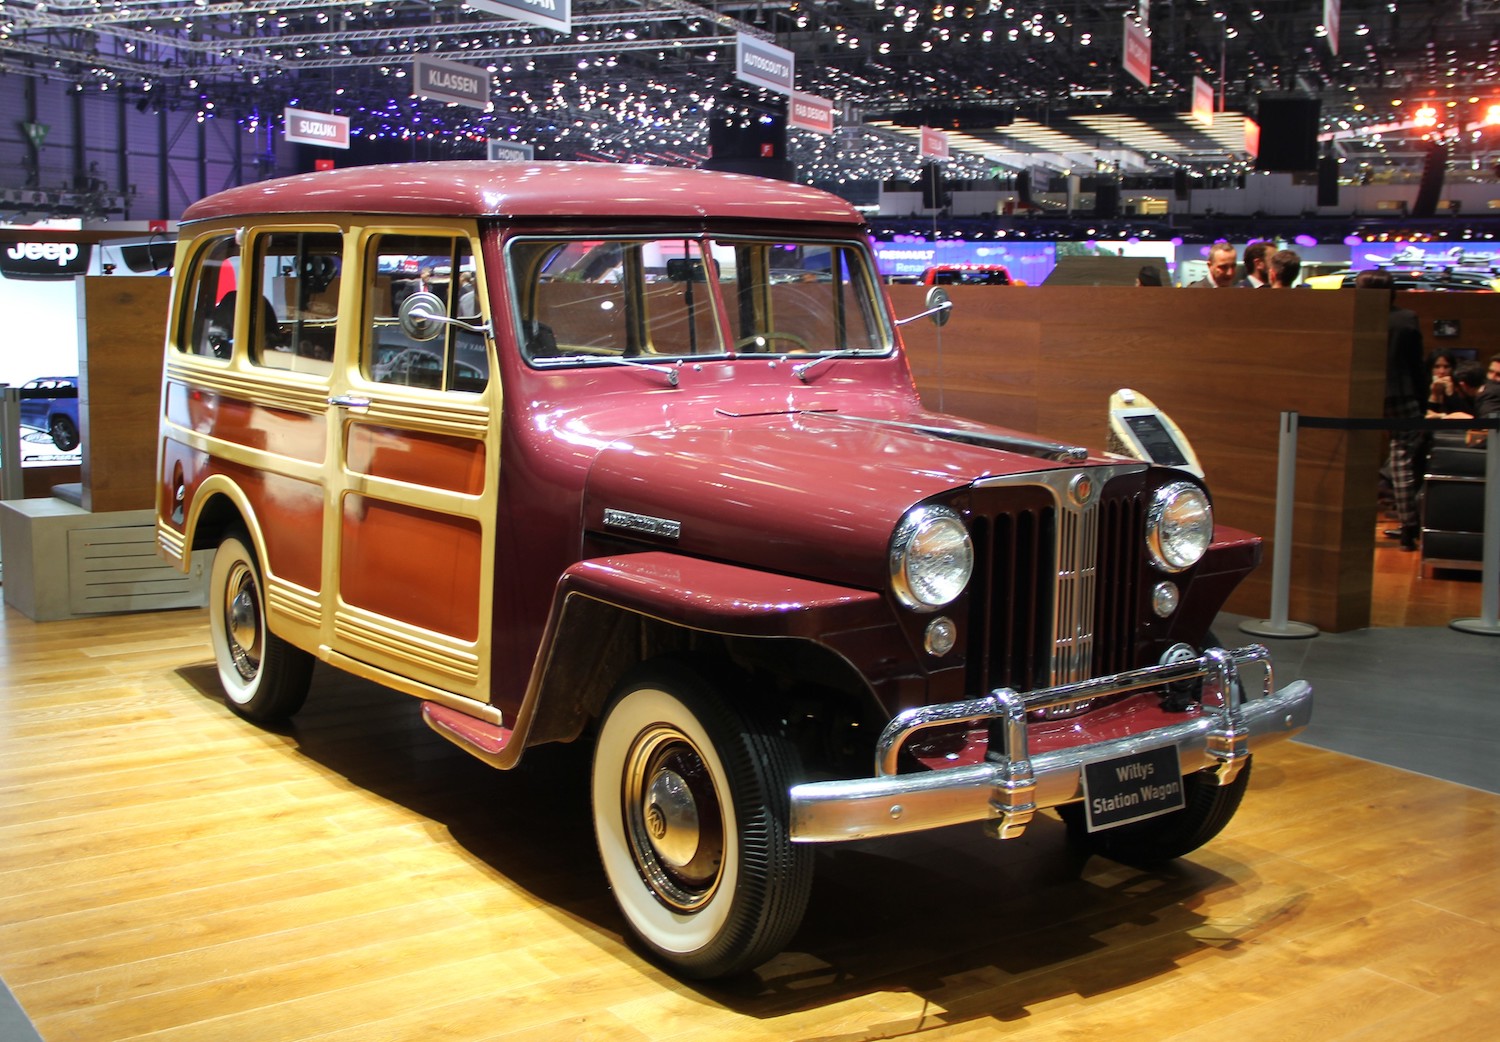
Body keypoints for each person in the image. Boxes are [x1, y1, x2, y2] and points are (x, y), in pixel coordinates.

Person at [1356, 269, 1426, 550]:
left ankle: (1355, 524)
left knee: (1355, 457)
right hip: (1398, 393)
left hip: (1358, 393)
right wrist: (1423, 400)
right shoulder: (1406, 319)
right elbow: (1416, 366)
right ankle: (1409, 527)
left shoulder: (1354, 316)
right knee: (1402, 458)